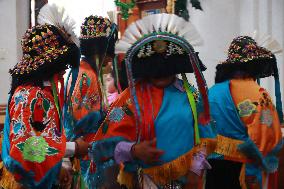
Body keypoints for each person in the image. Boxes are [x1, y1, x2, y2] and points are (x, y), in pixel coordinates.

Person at [85, 13, 217, 188]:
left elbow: (206, 137)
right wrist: (133, 150)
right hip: (143, 182)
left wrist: (195, 169)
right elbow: (102, 146)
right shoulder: (130, 98)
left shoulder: (191, 96)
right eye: (154, 68)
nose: (160, 73)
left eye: (167, 68)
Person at [0, 4, 89, 189]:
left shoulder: (44, 92)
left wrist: (62, 163)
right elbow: (26, 148)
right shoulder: (28, 96)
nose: (65, 69)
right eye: (62, 63)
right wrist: (73, 148)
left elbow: (47, 136)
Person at [205, 36, 283, 189]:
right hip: (243, 168)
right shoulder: (259, 95)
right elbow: (266, 133)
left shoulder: (213, 92)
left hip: (213, 166)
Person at [63, 15, 118, 185]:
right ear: (100, 51)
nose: (110, 59)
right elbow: (78, 120)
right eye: (108, 53)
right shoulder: (86, 75)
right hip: (86, 151)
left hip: (87, 148)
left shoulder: (85, 71)